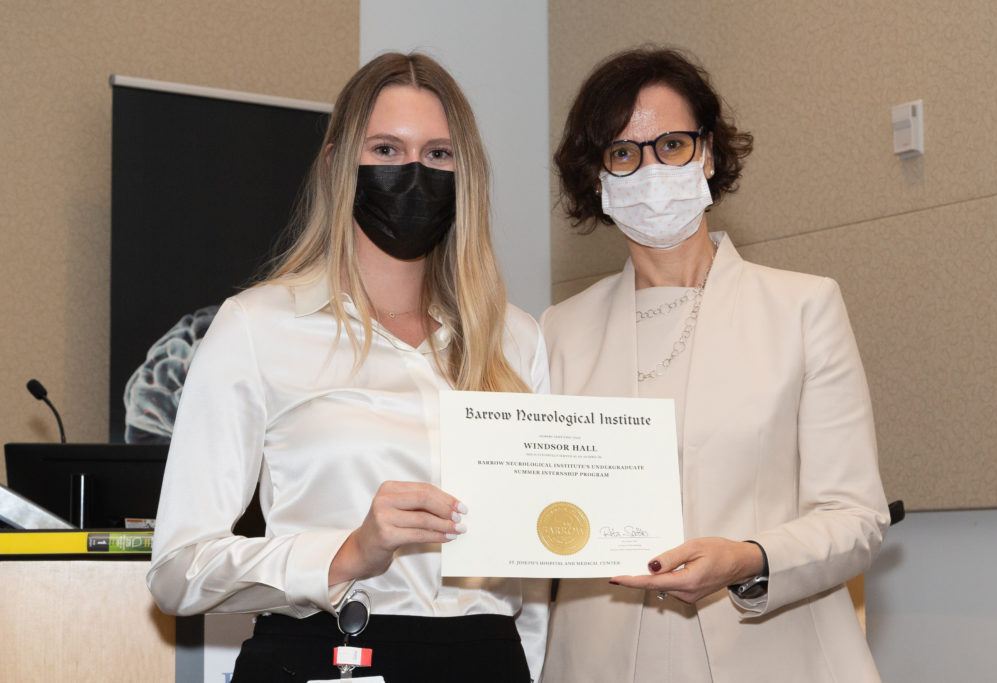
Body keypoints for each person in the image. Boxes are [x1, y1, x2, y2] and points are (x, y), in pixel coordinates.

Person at [147, 52, 550, 683]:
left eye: (439, 155)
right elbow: (177, 571)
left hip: (487, 661)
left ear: (467, 173)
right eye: (387, 150)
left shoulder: (516, 339)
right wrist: (346, 552)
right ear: (338, 164)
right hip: (325, 654)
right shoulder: (257, 326)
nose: (415, 172)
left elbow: (531, 578)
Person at [540, 47, 889, 682]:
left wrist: (748, 558)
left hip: (770, 650)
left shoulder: (803, 307)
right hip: (603, 658)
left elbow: (856, 518)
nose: (649, 169)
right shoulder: (557, 333)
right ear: (597, 177)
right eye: (623, 153)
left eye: (670, 145)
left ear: (706, 152)